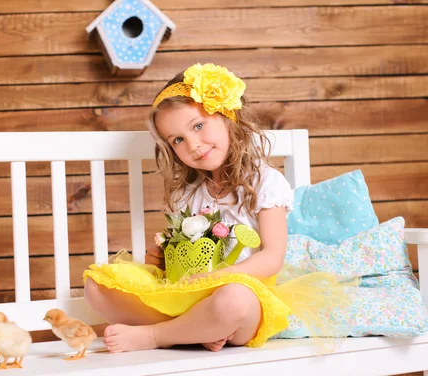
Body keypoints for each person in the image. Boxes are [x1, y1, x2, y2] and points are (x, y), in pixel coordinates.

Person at [83, 63, 351, 353]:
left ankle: (157, 336)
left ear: (227, 116)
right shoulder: (188, 194)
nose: (194, 145)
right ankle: (196, 330)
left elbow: (272, 258)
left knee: (233, 299)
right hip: (191, 296)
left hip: (244, 297)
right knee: (97, 287)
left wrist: (216, 279)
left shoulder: (265, 183)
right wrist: (161, 259)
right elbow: (186, 259)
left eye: (198, 126)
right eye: (178, 140)